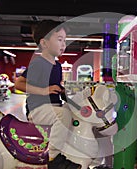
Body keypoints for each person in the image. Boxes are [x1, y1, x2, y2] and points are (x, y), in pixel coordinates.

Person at [15, 20, 81, 169]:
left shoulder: (57, 65)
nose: (63, 44)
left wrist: (62, 91)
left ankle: (69, 149)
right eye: (59, 40)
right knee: (64, 115)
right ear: (44, 43)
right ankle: (54, 157)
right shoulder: (39, 63)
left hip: (53, 107)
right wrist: (44, 91)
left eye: (65, 40)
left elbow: (54, 87)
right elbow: (19, 84)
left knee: (73, 113)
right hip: (38, 109)